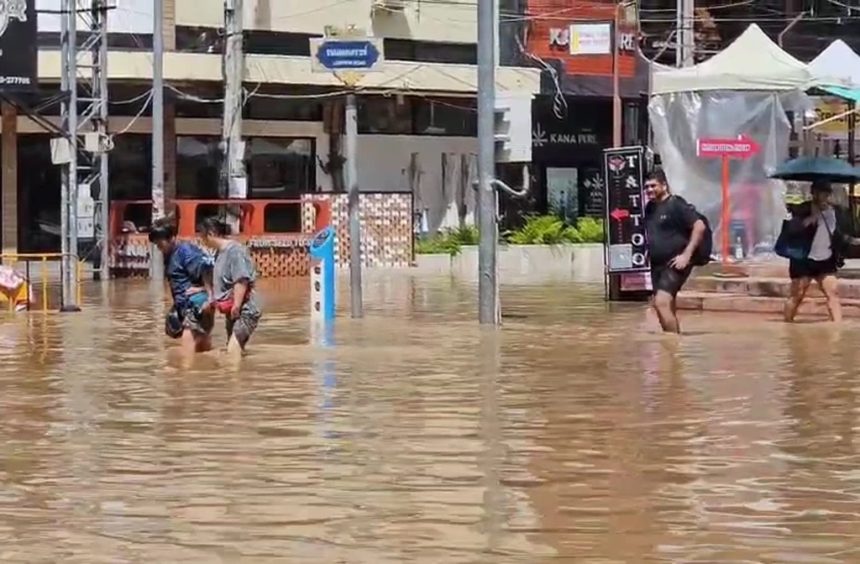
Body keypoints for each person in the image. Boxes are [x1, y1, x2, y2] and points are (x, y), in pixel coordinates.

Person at [783, 181, 858, 323]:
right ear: (813, 194)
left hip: (825, 260)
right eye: (820, 193)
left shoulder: (836, 211)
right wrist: (810, 218)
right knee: (796, 296)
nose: (824, 197)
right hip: (804, 260)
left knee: (833, 293)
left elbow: (841, 234)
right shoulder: (802, 209)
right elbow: (792, 230)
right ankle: (787, 323)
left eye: (826, 193)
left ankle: (838, 329)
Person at [643, 168, 707, 334]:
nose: (649, 190)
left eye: (653, 186)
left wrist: (686, 255)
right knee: (664, 306)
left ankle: (673, 343)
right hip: (656, 264)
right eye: (647, 187)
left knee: (661, 302)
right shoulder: (650, 208)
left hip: (676, 262)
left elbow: (699, 226)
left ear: (664, 186)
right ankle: (671, 352)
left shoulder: (676, 204)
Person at [197, 217, 263, 357]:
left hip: (245, 308)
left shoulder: (234, 251)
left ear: (210, 234)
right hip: (232, 310)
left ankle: (233, 378)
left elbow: (241, 279)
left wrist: (237, 305)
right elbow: (220, 284)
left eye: (202, 236)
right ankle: (241, 376)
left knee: (233, 349)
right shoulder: (218, 254)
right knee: (234, 348)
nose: (202, 241)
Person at [149, 219, 215, 354]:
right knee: (201, 346)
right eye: (156, 244)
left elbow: (207, 269)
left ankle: (185, 373)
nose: (158, 247)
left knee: (187, 344)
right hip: (185, 304)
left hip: (197, 303)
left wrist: (207, 293)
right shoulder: (169, 254)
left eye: (160, 243)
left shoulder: (186, 252)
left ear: (172, 238)